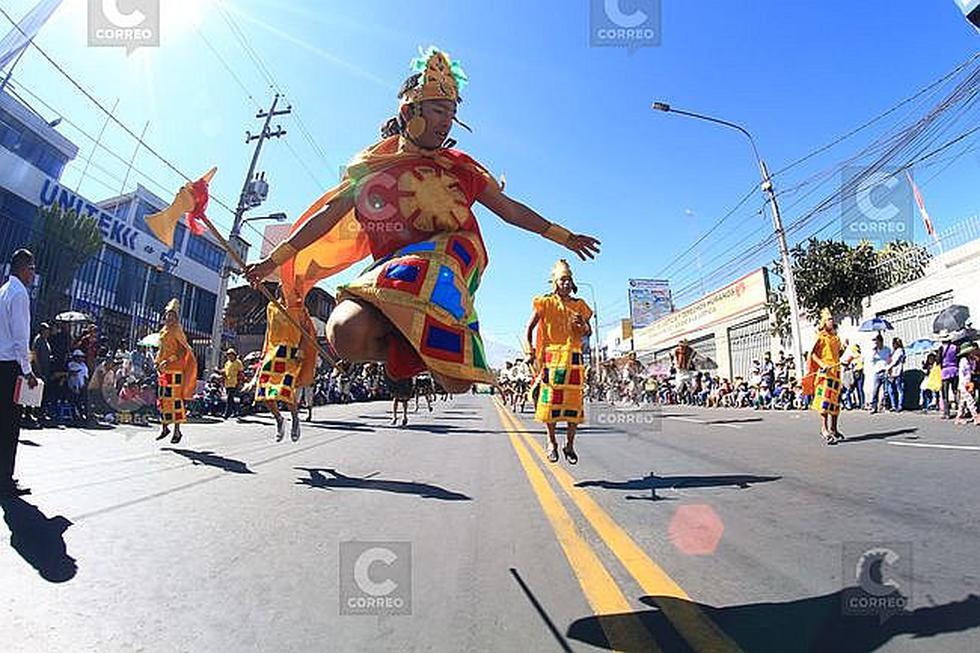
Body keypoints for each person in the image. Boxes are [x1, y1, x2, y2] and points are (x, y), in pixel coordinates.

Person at [244, 47, 600, 396]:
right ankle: (407, 350)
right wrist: (271, 261)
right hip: (390, 272)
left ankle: (427, 341)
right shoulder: (372, 169)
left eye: (452, 113)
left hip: (453, 257)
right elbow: (327, 215)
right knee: (344, 333)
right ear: (409, 110)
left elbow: (510, 210)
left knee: (457, 376)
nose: (447, 121)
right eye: (439, 110)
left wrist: (563, 236)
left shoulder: (461, 168)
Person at [526, 259, 592, 464]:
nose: (566, 283)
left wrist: (582, 325)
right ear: (555, 282)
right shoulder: (544, 302)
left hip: (573, 359)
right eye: (562, 280)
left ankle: (570, 445)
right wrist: (531, 351)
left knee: (574, 406)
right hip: (551, 359)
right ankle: (551, 442)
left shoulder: (580, 305)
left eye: (569, 280)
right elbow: (529, 329)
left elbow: (588, 332)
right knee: (550, 404)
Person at [255, 288, 317, 442]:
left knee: (285, 390)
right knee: (264, 392)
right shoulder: (271, 307)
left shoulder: (299, 309)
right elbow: (268, 333)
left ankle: (295, 419)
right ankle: (279, 419)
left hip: (291, 353)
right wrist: (264, 355)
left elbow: (307, 333)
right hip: (273, 352)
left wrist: (301, 351)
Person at [0, 250, 39, 497]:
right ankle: (5, 480)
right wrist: (28, 372)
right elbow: (20, 337)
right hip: (11, 367)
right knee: (10, 426)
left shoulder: (3, 291)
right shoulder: (20, 294)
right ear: (23, 268)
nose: (33, 273)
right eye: (32, 268)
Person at [155, 298, 198, 443]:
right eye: (168, 315)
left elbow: (182, 350)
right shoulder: (163, 330)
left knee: (175, 401)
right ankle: (165, 427)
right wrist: (158, 362)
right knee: (164, 399)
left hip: (175, 370)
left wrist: (169, 360)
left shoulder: (177, 330)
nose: (170, 318)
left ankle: (177, 431)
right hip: (164, 371)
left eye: (173, 315)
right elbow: (161, 350)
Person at [805, 309, 844, 444]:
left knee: (835, 401)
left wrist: (845, 356)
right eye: (829, 319)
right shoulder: (820, 337)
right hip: (825, 373)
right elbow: (813, 354)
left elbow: (839, 354)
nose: (831, 321)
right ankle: (824, 428)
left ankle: (834, 428)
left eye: (832, 319)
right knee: (825, 401)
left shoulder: (836, 338)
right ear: (823, 322)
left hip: (836, 372)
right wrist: (822, 364)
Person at [29, 322, 52, 425]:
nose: (48, 332)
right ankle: (30, 413)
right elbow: (34, 355)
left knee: (42, 393)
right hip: (39, 370)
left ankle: (39, 413)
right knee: (34, 393)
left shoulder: (45, 341)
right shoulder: (38, 340)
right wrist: (38, 369)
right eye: (46, 330)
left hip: (46, 370)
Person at [954, 343, 979, 426]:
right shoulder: (963, 360)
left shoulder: (971, 360)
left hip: (969, 381)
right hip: (964, 383)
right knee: (970, 400)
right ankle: (976, 416)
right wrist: (964, 383)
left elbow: (972, 371)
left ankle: (959, 418)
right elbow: (961, 373)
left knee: (962, 402)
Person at [867, 334, 892, 414]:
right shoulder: (874, 351)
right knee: (875, 390)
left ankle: (885, 406)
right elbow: (871, 360)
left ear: (881, 341)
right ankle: (874, 407)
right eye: (875, 342)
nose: (876, 343)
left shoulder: (887, 349)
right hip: (877, 372)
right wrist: (874, 352)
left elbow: (889, 359)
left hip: (884, 371)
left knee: (886, 391)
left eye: (877, 342)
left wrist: (888, 366)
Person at [938, 333, 960, 419]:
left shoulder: (941, 348)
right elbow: (958, 357)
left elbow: (938, 360)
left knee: (945, 393)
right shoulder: (955, 347)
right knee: (955, 390)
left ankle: (946, 413)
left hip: (945, 371)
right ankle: (960, 409)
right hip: (954, 370)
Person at [66, 350, 89, 421]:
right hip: (74, 386)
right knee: (75, 401)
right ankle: (75, 415)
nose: (81, 358)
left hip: (83, 386)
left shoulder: (84, 365)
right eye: (79, 357)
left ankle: (84, 414)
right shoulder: (71, 364)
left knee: (84, 401)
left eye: (81, 357)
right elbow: (72, 372)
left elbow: (86, 376)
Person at [222, 349, 245, 419]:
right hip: (227, 383)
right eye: (228, 355)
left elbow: (241, 373)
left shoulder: (238, 362)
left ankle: (226, 414)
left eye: (231, 355)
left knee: (229, 398)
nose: (229, 356)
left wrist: (239, 382)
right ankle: (237, 411)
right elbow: (225, 372)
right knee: (231, 399)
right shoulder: (227, 363)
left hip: (234, 383)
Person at [887, 337, 906, 412]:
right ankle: (893, 405)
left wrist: (888, 367)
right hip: (891, 373)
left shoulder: (900, 351)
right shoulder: (894, 351)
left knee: (899, 389)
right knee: (890, 389)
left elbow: (894, 361)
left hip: (897, 372)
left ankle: (899, 405)